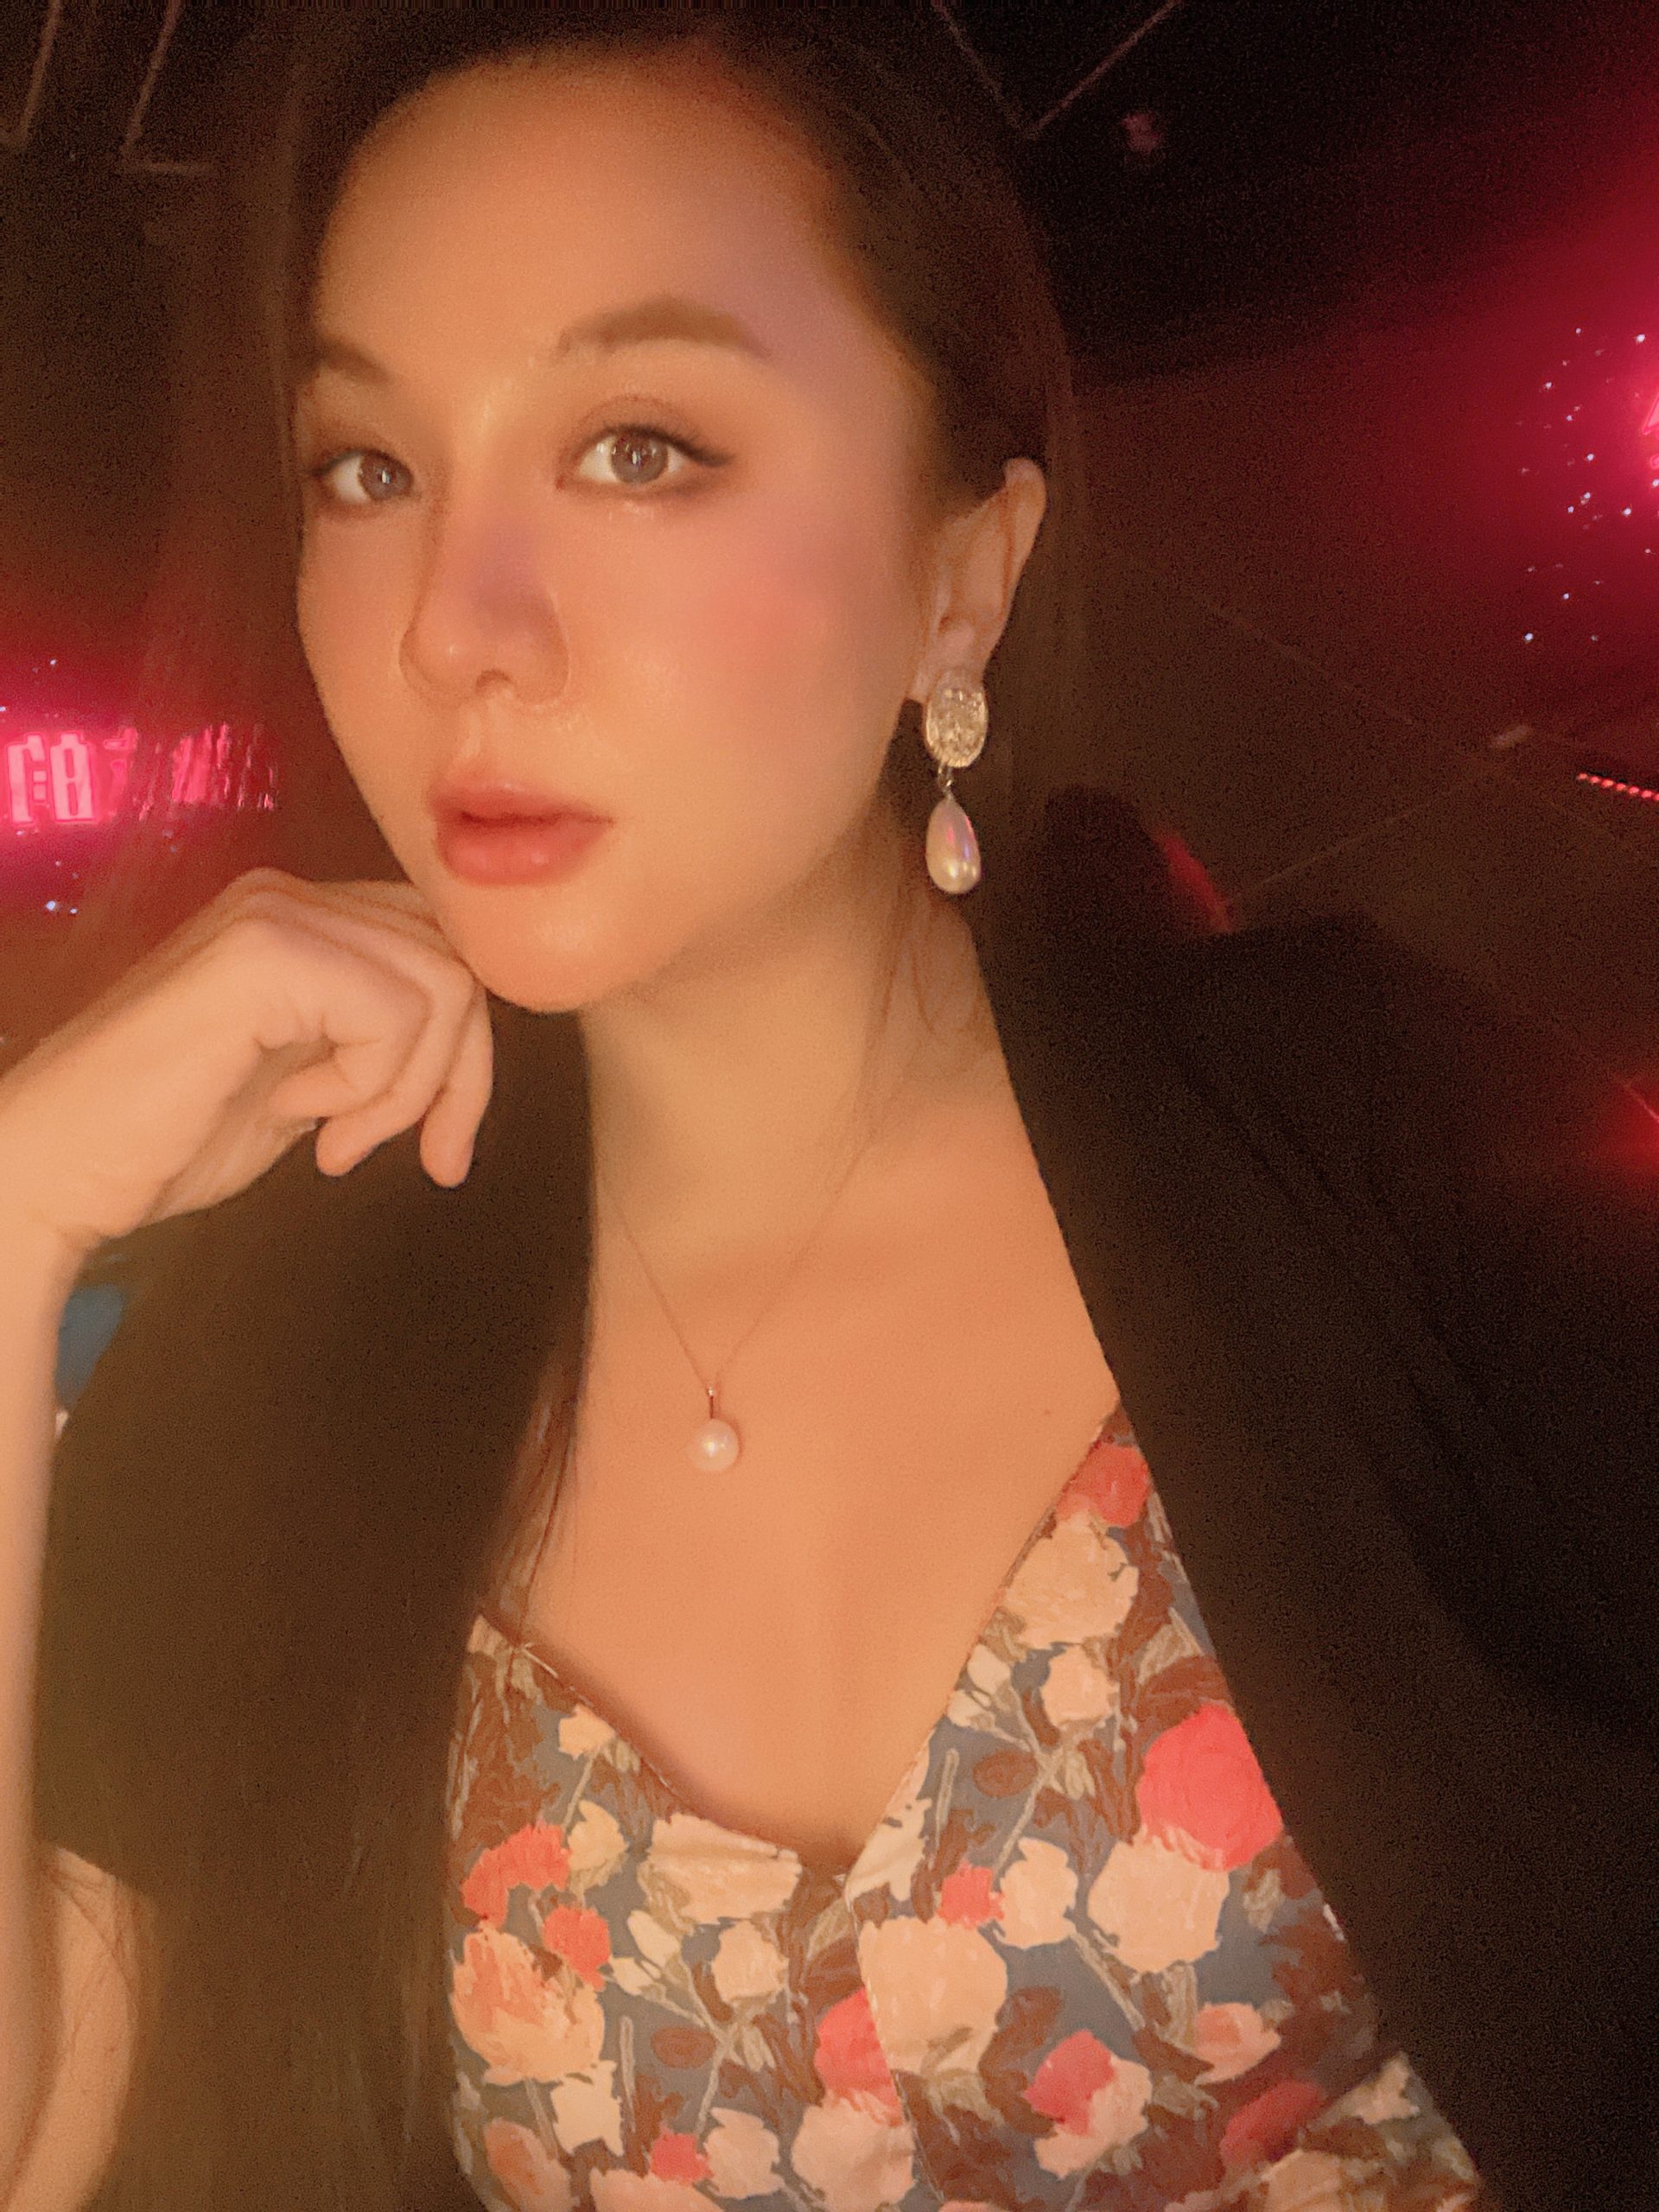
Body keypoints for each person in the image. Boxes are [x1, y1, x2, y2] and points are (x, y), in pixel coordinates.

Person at [1, 8, 1654, 2210]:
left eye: (639, 447)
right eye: (368, 468)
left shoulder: (1364, 1135)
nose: (455, 631)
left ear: (961, 572)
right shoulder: (292, 1328)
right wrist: (10, 1219)